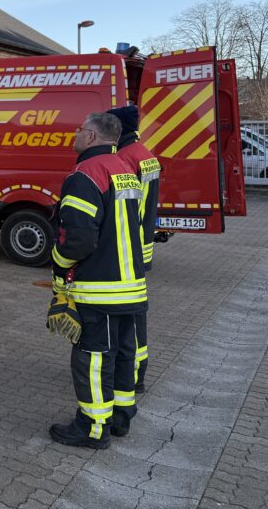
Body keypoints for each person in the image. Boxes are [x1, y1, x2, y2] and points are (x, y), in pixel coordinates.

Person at [49, 112, 147, 449]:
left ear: (91, 136)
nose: (75, 136)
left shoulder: (86, 174)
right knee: (121, 355)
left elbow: (78, 240)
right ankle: (119, 418)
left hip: (99, 289)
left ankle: (92, 427)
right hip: (130, 287)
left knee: (91, 358)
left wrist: (58, 266)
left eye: (79, 130)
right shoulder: (125, 170)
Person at [107, 105, 160, 394]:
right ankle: (138, 369)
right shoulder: (145, 154)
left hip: (126, 248)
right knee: (136, 314)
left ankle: (132, 373)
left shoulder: (125, 158)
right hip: (142, 245)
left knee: (129, 317)